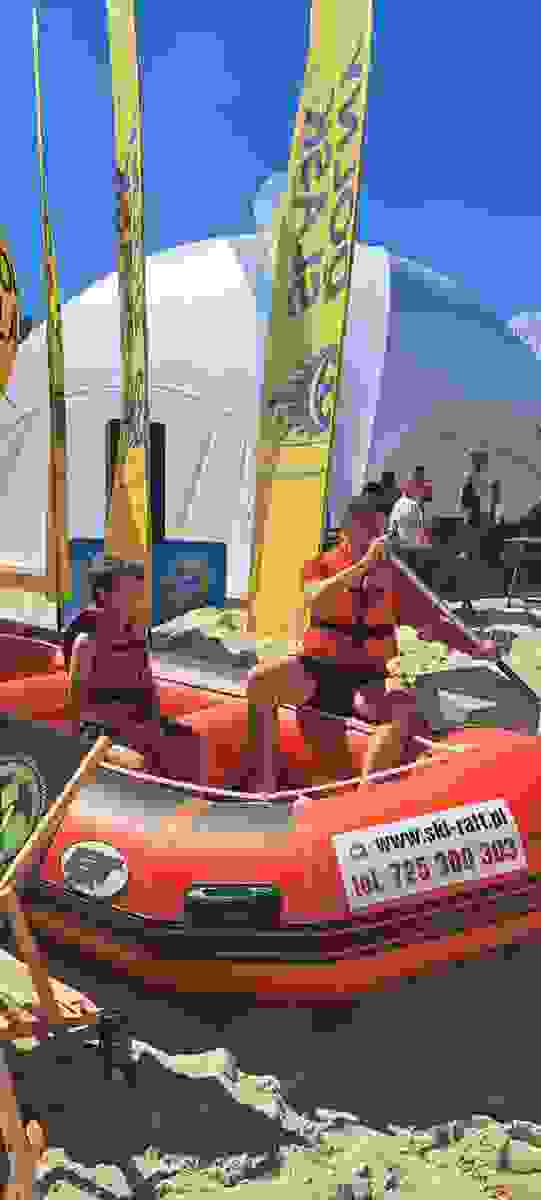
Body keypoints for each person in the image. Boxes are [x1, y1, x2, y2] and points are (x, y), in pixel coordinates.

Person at [242, 493, 497, 792]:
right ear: (346, 531)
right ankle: (264, 782)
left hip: (369, 677)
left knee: (401, 708)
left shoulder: (394, 577)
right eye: (367, 529)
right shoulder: (319, 565)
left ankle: (367, 794)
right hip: (317, 670)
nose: (376, 538)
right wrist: (363, 565)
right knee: (259, 681)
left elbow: (433, 623)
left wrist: (475, 648)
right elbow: (316, 598)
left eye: (379, 530)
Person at [64, 557, 207, 781]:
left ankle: (192, 798)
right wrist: (127, 727)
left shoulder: (137, 636)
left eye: (137, 592)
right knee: (137, 762)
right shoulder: (87, 643)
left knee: (192, 745)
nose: (135, 598)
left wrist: (154, 727)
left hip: (136, 725)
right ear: (103, 594)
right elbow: (77, 710)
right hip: (100, 734)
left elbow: (147, 690)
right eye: (128, 591)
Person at [388, 474, 425, 545]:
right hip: (406, 545)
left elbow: (392, 529)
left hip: (411, 545)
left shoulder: (399, 504)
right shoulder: (401, 504)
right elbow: (392, 529)